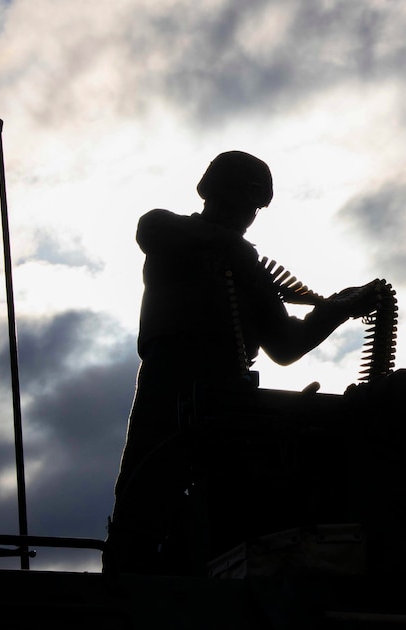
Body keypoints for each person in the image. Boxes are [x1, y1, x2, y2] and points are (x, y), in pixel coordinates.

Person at [105, 151, 382, 574]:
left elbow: (286, 346)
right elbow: (150, 228)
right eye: (237, 202)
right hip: (170, 381)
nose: (244, 216)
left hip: (230, 395)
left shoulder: (248, 267)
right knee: (146, 493)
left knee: (230, 505)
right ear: (210, 194)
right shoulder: (175, 233)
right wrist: (232, 249)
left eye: (252, 209)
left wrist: (337, 308)